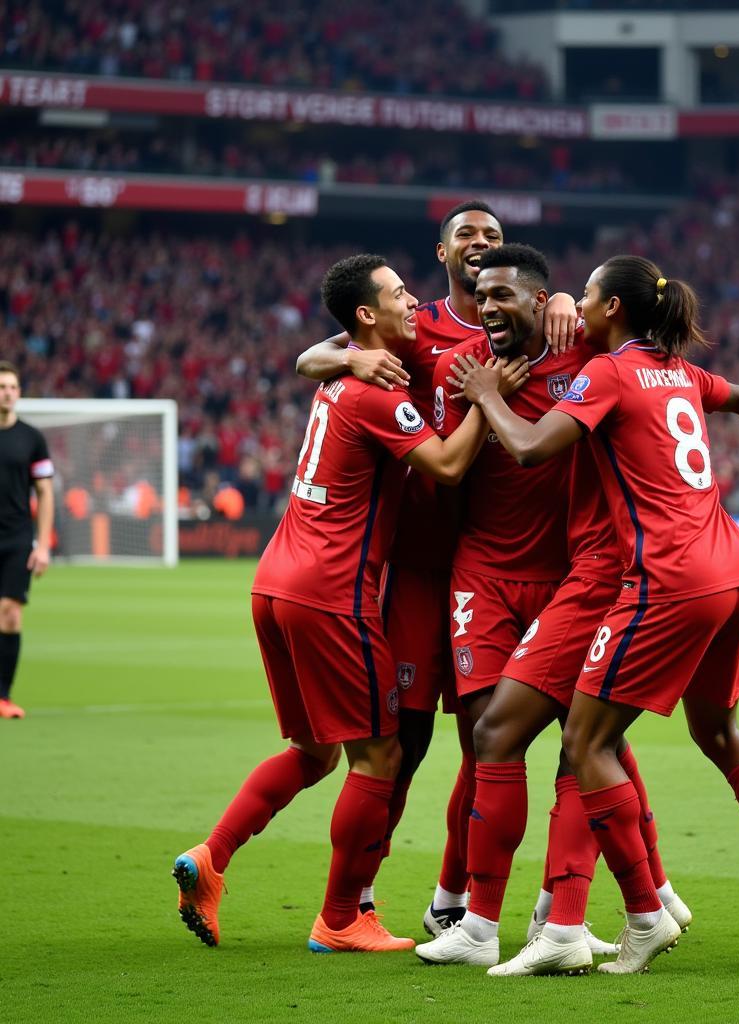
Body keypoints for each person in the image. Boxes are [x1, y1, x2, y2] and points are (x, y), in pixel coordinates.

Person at [451, 254, 739, 973]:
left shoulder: (611, 371)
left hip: (670, 575)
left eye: (587, 296)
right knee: (717, 729)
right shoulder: (677, 371)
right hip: (736, 569)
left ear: (613, 310)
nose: (579, 307)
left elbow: (530, 448)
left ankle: (642, 915)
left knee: (586, 745)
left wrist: (484, 395)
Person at [172, 254, 527, 954]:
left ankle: (211, 858)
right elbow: (451, 464)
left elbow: (318, 357)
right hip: (334, 592)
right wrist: (489, 400)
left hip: (276, 580)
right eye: (398, 294)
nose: (411, 301)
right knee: (380, 754)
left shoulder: (343, 374)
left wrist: (341, 359)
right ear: (366, 315)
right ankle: (341, 918)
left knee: (313, 750)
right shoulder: (376, 389)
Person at [295, 202, 578, 926]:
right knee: (409, 739)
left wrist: (569, 300)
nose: (480, 246)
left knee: (488, 738)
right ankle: (357, 890)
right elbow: (311, 357)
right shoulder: (417, 327)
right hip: (425, 564)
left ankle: (454, 902)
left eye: (491, 236)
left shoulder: (533, 319)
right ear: (443, 252)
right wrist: (350, 354)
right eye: (467, 237)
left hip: (505, 558)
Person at [415, 244, 676, 969]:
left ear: (541, 299)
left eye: (505, 295)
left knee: (582, 743)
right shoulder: (458, 368)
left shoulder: (588, 351)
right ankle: (477, 912)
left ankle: (568, 914)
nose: (489, 306)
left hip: (571, 581)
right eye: (480, 295)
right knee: (487, 739)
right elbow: (446, 470)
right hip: (484, 576)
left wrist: (566, 306)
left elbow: (637, 327)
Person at [0, 361, 54, 720]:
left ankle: (3, 697)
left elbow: (45, 491)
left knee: (10, 616)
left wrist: (43, 544)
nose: (8, 392)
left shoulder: (31, 438)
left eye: (13, 387)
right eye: (2, 386)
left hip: (17, 538)